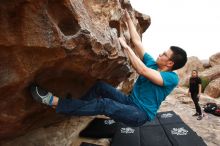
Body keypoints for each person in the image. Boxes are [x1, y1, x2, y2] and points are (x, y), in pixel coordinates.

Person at [30, 10, 187, 127]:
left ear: (170, 64)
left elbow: (143, 71)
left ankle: (56, 102)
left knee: (105, 104)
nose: (160, 53)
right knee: (100, 87)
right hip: (129, 101)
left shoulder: (171, 78)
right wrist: (128, 20)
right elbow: (138, 42)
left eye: (165, 54)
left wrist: (126, 47)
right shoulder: (153, 63)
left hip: (140, 114)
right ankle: (75, 108)